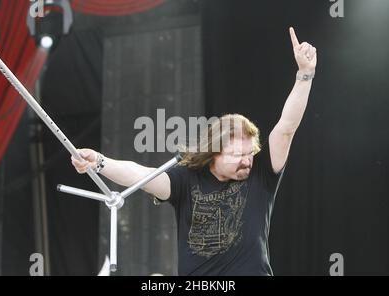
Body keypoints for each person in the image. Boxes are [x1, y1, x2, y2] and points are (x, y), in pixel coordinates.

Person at [71, 27, 316, 275]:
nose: (247, 161)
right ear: (214, 153)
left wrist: (305, 74)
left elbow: (286, 127)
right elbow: (141, 176)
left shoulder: (262, 173)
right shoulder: (186, 180)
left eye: (250, 152)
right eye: (237, 155)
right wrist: (99, 162)